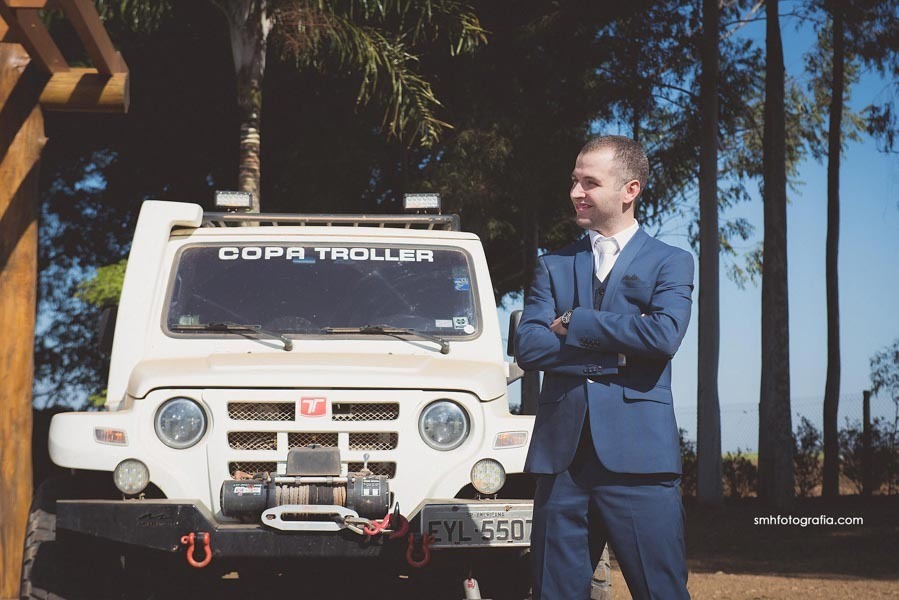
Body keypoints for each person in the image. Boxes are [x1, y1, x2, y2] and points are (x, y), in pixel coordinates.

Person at [515, 135, 693, 599]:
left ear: (629, 190)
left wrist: (577, 322)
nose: (576, 192)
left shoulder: (671, 262)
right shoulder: (551, 266)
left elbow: (663, 336)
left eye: (589, 182)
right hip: (562, 464)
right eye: (574, 181)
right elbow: (530, 348)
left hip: (641, 463)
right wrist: (616, 351)